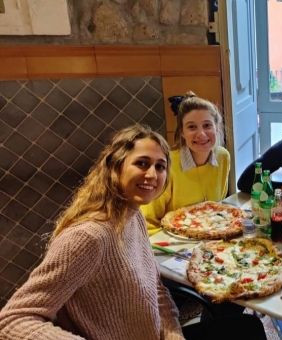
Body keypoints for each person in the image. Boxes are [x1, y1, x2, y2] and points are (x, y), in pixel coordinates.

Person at [0, 125, 184, 339]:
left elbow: (156, 289)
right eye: (142, 163)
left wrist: (173, 334)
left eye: (160, 167)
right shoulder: (88, 237)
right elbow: (13, 320)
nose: (152, 174)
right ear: (115, 168)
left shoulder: (135, 218)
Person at [141, 92, 231, 235]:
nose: (201, 134)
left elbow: (217, 207)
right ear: (182, 132)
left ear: (217, 128)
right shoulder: (166, 165)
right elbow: (146, 222)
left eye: (207, 125)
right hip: (172, 243)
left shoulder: (223, 157)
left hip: (211, 236)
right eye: (192, 127)